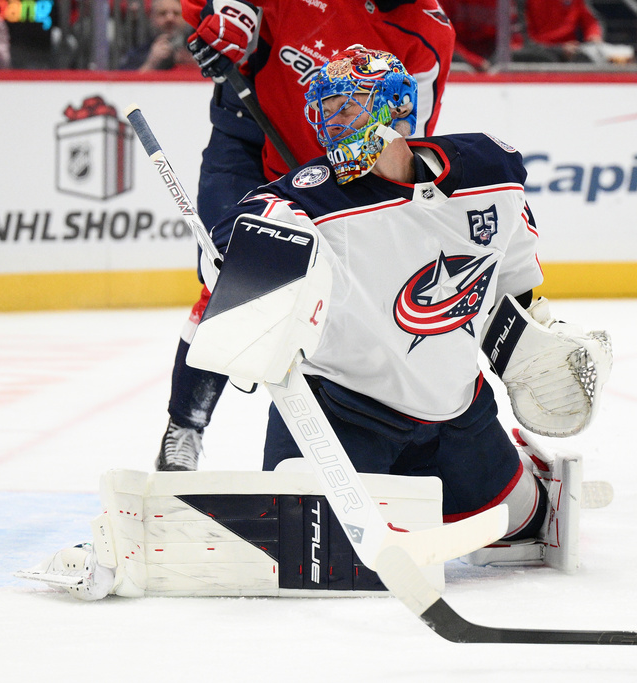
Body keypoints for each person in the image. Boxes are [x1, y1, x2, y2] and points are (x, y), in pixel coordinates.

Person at [18, 47, 612, 598]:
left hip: (457, 413)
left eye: (350, 104)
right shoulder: (313, 198)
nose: (334, 123)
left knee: (520, 523)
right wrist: (234, 257)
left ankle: (524, 469)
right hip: (341, 416)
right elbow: (255, 220)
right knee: (307, 558)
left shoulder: (490, 172)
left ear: (396, 107)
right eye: (326, 108)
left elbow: (514, 278)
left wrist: (540, 342)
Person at [154, 0, 456, 471]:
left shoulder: (426, 33)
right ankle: (185, 426)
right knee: (231, 278)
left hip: (336, 169)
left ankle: (337, 447)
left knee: (338, 306)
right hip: (250, 139)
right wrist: (230, 13)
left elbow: (403, 138)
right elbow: (201, 8)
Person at [119, 0, 199, 71]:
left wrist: (197, 64)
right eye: (162, 13)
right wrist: (151, 64)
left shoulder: (200, 49)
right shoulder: (137, 55)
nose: (170, 18)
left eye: (176, 13)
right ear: (152, 18)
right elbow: (123, 85)